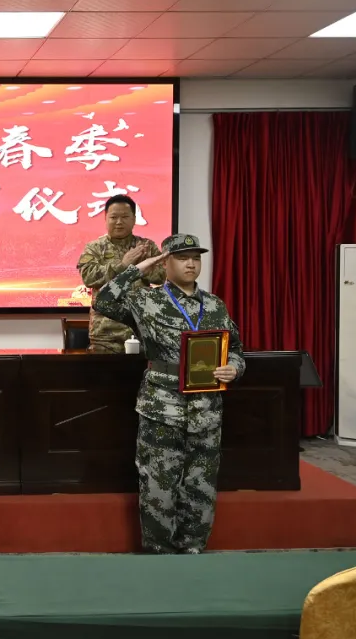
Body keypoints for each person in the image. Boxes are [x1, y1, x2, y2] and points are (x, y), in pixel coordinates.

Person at [92, 234, 246, 555]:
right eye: (182, 257)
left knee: (201, 484)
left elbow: (235, 348)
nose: (191, 264)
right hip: (162, 406)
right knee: (158, 485)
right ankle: (159, 554)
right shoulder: (146, 300)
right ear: (165, 263)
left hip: (206, 407)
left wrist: (234, 367)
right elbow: (103, 301)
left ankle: (193, 550)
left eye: (196, 258)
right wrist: (137, 268)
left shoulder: (214, 304)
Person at [76, 195, 164, 353]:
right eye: (113, 217)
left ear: (134, 219)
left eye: (124, 217)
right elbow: (88, 277)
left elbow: (162, 276)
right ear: (105, 219)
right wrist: (122, 265)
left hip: (141, 329)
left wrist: (142, 268)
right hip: (105, 333)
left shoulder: (146, 247)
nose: (119, 222)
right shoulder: (94, 248)